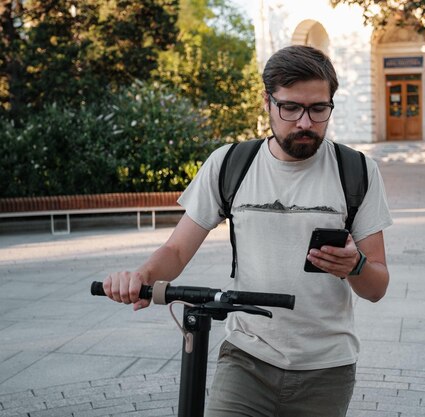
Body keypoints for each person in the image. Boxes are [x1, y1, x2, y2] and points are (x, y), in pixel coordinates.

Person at [103, 45, 393, 417]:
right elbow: (176, 252)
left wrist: (355, 266)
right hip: (246, 359)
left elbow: (377, 287)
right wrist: (140, 277)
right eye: (290, 107)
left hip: (327, 368)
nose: (305, 122)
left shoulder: (357, 171)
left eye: (319, 109)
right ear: (267, 101)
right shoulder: (230, 163)